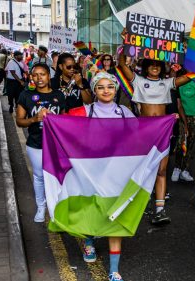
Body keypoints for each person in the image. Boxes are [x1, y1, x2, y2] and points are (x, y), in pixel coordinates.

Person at [67, 72, 136, 281]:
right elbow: (63, 126)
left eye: (110, 87)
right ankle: (88, 242)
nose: (106, 91)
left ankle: (114, 270)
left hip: (117, 173)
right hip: (91, 171)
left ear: (116, 89)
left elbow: (139, 135)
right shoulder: (84, 111)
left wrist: (167, 121)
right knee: (92, 210)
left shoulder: (125, 112)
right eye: (100, 87)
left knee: (116, 216)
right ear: (94, 90)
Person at [117, 39, 191, 225]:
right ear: (147, 66)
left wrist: (194, 59)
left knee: (161, 170)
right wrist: (126, 42)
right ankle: (137, 204)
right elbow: (121, 64)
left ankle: (160, 209)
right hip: (143, 130)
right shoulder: (139, 81)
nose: (156, 67)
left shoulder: (168, 83)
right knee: (141, 168)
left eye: (159, 64)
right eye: (152, 64)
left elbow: (190, 76)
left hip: (163, 131)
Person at [15, 63, 66, 222]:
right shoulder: (26, 95)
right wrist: (34, 119)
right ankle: (41, 206)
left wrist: (55, 119)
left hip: (57, 145)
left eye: (42, 74)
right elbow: (19, 121)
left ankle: (56, 208)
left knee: (58, 176)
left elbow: (65, 119)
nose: (39, 78)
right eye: (35, 75)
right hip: (36, 143)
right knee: (39, 176)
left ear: (48, 76)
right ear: (31, 77)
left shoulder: (59, 95)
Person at [171, 70, 195, 182]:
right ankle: (177, 168)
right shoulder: (179, 83)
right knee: (181, 143)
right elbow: (178, 104)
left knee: (190, 143)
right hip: (181, 116)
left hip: (194, 117)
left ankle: (185, 170)